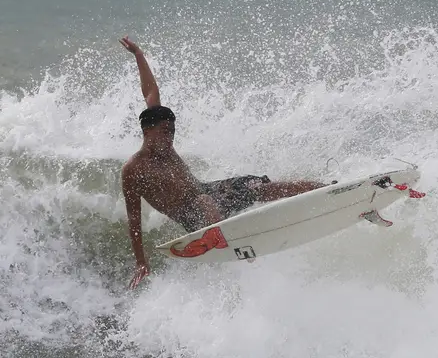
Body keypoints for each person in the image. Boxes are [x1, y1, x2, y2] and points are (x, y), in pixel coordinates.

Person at [118, 36, 326, 289]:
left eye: (173, 131)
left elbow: (150, 92)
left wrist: (139, 55)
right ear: (148, 130)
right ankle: (234, 241)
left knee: (256, 187)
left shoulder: (165, 147)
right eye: (165, 132)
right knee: (204, 201)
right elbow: (134, 220)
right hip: (191, 216)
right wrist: (141, 262)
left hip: (210, 191)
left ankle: (327, 189)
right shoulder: (134, 170)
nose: (170, 137)